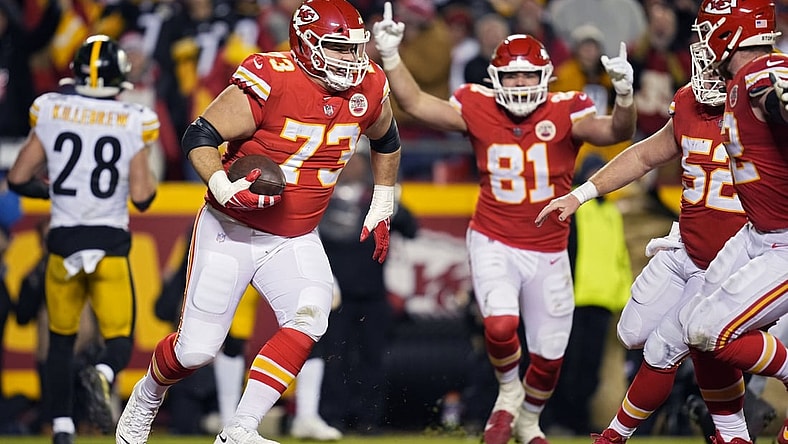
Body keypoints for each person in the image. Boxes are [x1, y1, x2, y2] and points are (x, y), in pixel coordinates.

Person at [114, 0, 402, 442]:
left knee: (310, 317)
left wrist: (383, 197)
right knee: (195, 350)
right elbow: (200, 134)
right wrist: (221, 183)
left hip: (295, 235)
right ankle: (147, 396)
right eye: (339, 47)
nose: (352, 59)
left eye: (354, 47)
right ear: (306, 45)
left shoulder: (370, 85)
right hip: (232, 228)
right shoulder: (271, 76)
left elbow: (387, 137)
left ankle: (241, 428)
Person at [372, 3, 637, 443]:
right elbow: (416, 103)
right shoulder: (478, 106)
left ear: (544, 78)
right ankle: (509, 395)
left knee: (550, 358)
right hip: (494, 238)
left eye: (527, 76)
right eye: (511, 76)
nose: (518, 84)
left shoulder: (567, 108)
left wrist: (625, 97)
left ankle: (529, 417)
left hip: (550, 248)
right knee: (498, 326)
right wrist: (392, 55)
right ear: (495, 79)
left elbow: (616, 132)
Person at [534, 17, 759, 440]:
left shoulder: (767, 105)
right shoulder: (690, 102)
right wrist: (579, 195)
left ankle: (616, 435)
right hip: (691, 250)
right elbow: (641, 156)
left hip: (747, 259)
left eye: (716, 56)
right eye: (704, 56)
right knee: (637, 333)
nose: (707, 65)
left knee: (690, 340)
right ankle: (733, 433)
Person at [6, 34, 159, 444]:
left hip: (63, 242)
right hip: (109, 242)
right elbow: (143, 197)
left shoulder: (53, 109)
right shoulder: (133, 119)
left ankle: (61, 427)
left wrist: (52, 191)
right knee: (120, 340)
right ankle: (103, 373)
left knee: (59, 341)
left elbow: (19, 177)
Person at [678, 1, 788, 443]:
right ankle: (733, 435)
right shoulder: (740, 80)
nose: (700, 42)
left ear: (728, 33)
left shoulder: (763, 72)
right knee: (691, 324)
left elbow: (775, 88)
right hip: (758, 235)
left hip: (782, 240)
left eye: (707, 31)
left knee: (713, 332)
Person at [540, 154, 632, 436]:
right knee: (566, 364)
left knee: (589, 369)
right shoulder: (577, 209)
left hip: (602, 300)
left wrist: (624, 296)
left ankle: (575, 420)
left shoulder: (612, 212)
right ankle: (556, 419)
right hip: (574, 298)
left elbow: (619, 256)